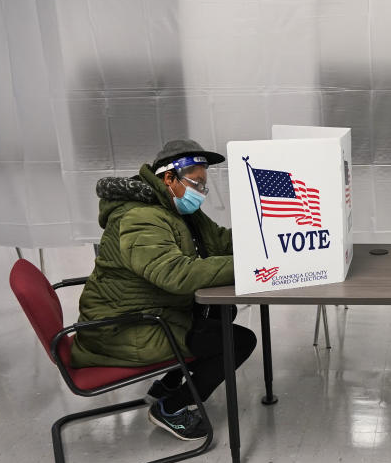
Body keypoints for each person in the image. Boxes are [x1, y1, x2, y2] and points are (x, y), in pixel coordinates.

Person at [72, 140, 256, 441]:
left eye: (203, 185)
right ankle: (170, 407)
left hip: (152, 311)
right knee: (239, 341)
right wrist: (253, 265)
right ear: (168, 178)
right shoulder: (139, 216)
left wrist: (266, 239)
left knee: (223, 310)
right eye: (196, 183)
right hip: (122, 327)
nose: (201, 192)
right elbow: (174, 273)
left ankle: (168, 384)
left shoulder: (175, 208)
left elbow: (219, 241)